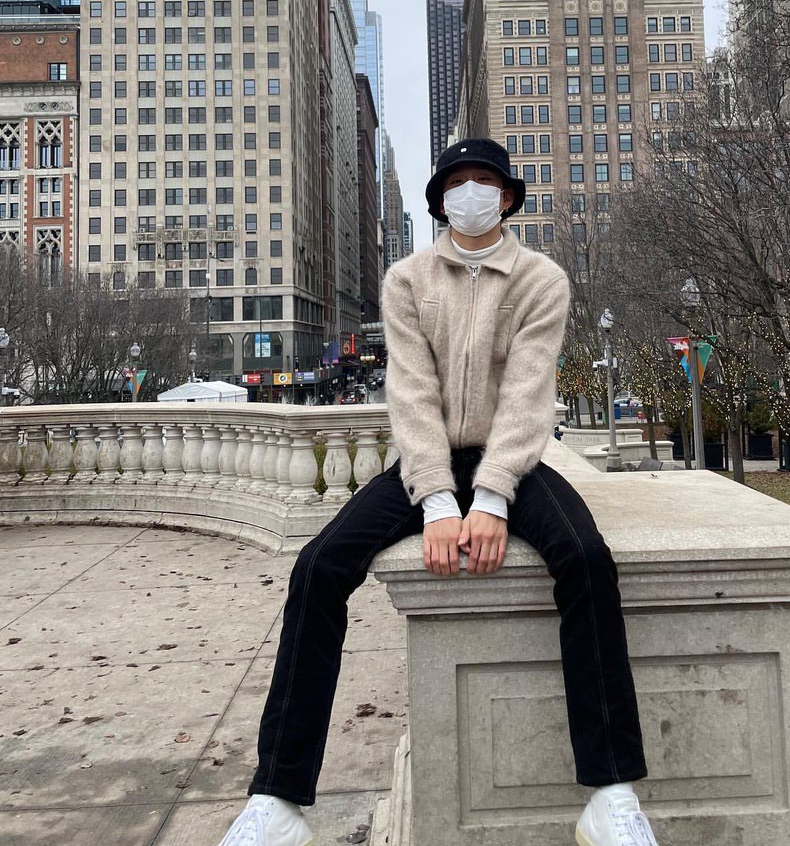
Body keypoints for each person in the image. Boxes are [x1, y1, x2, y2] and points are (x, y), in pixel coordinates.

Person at [216, 138, 657, 846]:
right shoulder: (406, 280)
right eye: (458, 182)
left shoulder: (541, 280)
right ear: (440, 201)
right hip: (426, 459)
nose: (471, 192)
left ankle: (611, 793)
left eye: (484, 181)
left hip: (512, 458)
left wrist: (493, 498)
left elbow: (527, 394)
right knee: (319, 566)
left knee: (585, 558)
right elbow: (411, 393)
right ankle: (277, 800)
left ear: (506, 197)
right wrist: (439, 502)